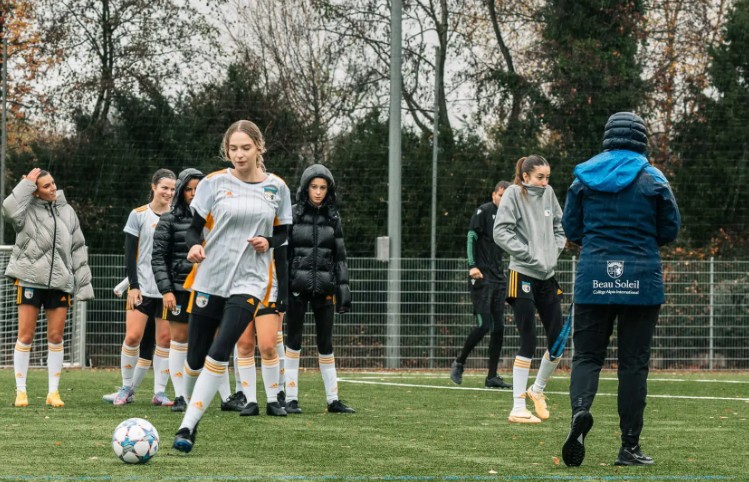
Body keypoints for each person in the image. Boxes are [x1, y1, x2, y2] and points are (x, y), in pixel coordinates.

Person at [560, 112, 680, 467]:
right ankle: (629, 446)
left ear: (607, 137)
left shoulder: (583, 178)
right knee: (633, 364)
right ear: (642, 139)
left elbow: (571, 227)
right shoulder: (653, 178)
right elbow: (670, 228)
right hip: (641, 279)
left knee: (586, 357)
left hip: (594, 275)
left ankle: (580, 412)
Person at [173, 119, 292, 453]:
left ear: (259, 148)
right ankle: (190, 403)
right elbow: (193, 229)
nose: (239, 155)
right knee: (196, 357)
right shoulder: (213, 183)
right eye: (233, 149)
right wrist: (194, 247)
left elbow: (283, 232)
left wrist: (268, 241)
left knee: (222, 347)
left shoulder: (277, 187)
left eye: (246, 148)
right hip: (211, 277)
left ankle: (187, 427)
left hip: (250, 281)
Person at [3, 168, 94, 407]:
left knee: (56, 337)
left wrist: (84, 285)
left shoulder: (67, 211)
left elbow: (78, 247)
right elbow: (8, 209)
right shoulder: (24, 209)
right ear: (35, 191)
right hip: (30, 280)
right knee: (25, 335)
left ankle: (53, 393)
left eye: (53, 183)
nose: (53, 188)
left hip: (60, 284)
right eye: (46, 186)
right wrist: (26, 183)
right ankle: (21, 392)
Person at [493, 155, 566, 424]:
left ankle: (537, 390)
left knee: (558, 341)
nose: (545, 182)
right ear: (525, 177)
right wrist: (529, 254)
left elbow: (560, 226)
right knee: (529, 340)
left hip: (547, 276)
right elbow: (501, 232)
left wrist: (553, 251)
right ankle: (517, 407)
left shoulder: (549, 194)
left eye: (547, 177)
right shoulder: (513, 194)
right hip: (521, 273)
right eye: (540, 177)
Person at [284, 164, 353, 415]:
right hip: (296, 288)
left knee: (326, 342)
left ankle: (333, 400)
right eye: (314, 186)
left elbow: (340, 257)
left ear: (328, 190)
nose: (318, 192)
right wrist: (283, 288)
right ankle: (290, 398)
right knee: (293, 341)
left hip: (325, 288)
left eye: (323, 187)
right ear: (305, 188)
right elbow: (284, 255)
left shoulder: (334, 218)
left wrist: (342, 293)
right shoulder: (292, 214)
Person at [109, 169, 177, 406]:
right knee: (133, 336)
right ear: (153, 187)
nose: (168, 193)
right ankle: (125, 388)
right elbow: (130, 255)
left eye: (172, 189)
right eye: (164, 187)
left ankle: (159, 393)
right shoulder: (138, 215)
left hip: (166, 290)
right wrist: (133, 286)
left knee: (165, 340)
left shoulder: (177, 217)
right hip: (141, 288)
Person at [151, 168, 205, 412]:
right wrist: (166, 290)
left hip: (208, 289)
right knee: (179, 340)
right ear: (181, 191)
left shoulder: (214, 218)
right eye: (188, 189)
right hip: (179, 289)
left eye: (198, 190)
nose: (193, 194)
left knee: (211, 340)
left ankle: (222, 396)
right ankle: (181, 396)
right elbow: (158, 258)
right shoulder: (169, 219)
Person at [450, 180, 512, 389]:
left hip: (499, 278)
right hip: (481, 277)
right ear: (494, 195)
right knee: (484, 325)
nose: (503, 199)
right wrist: (472, 265)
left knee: (499, 328)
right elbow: (471, 237)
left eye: (507, 196)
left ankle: (492, 377)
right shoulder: (483, 211)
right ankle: (459, 362)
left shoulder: (508, 216)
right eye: (501, 195)